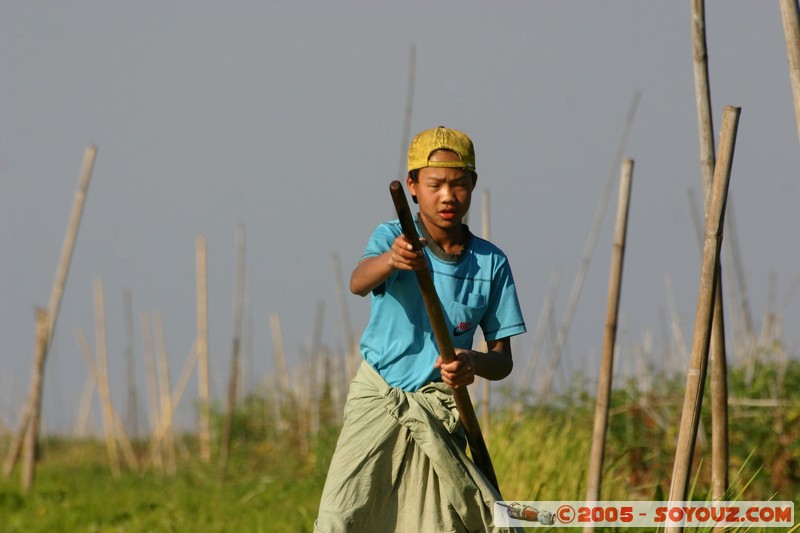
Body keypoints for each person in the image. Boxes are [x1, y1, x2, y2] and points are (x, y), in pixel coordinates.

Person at [314, 126, 527, 533]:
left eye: (458, 184)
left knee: (440, 521)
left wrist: (471, 362)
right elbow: (358, 283)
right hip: (379, 395)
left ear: (473, 186)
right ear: (413, 186)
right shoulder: (395, 237)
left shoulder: (490, 263)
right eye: (435, 185)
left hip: (440, 408)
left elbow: (502, 361)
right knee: (342, 516)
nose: (448, 195)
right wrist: (392, 261)